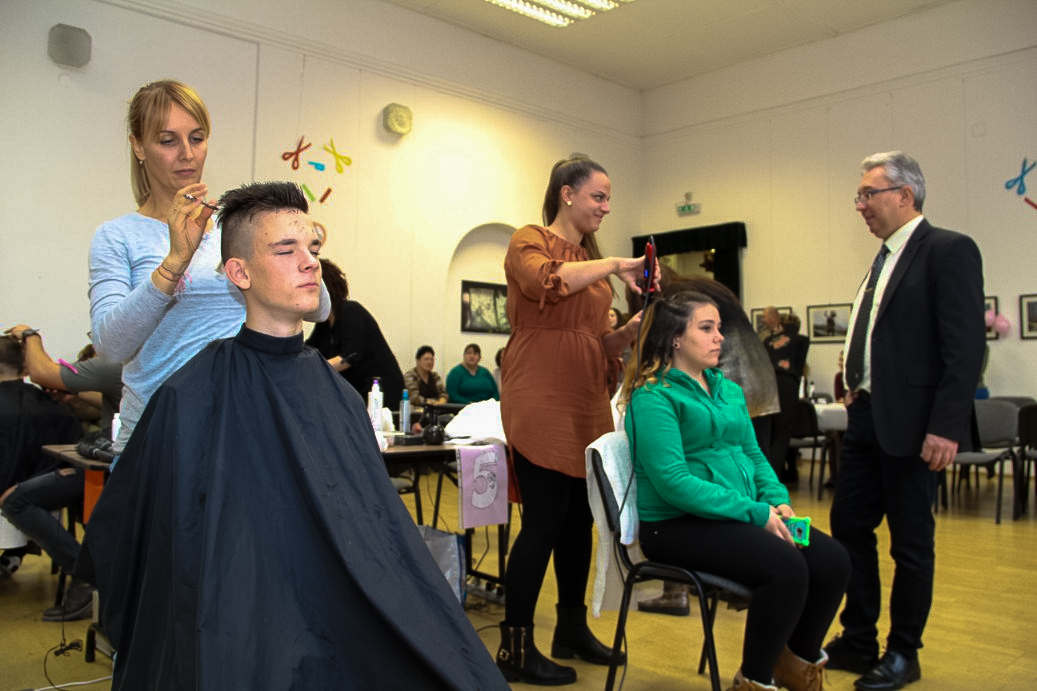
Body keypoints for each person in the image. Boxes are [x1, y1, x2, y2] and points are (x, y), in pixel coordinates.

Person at [76, 181, 508, 690]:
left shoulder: (339, 396)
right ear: (239, 272)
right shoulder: (188, 395)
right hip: (242, 625)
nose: (310, 264)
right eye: (286, 250)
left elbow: (377, 544)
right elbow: (150, 549)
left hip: (333, 616)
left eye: (313, 249)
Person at [621, 291, 850, 691]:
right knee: (786, 566)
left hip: (736, 515)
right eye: (706, 328)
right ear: (676, 338)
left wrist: (777, 501)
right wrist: (756, 513)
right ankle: (754, 680)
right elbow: (674, 483)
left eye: (719, 328)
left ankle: (795, 664)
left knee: (832, 560)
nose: (720, 337)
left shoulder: (727, 390)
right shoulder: (653, 397)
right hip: (675, 526)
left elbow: (753, 455)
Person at [88, 79, 331, 453]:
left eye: (197, 138)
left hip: (244, 432)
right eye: (168, 141)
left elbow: (319, 308)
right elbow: (110, 346)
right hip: (158, 440)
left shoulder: (238, 228)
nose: (187, 154)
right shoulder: (118, 236)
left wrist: (297, 248)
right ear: (138, 146)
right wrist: (175, 262)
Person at [824, 151, 985, 691]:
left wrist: (946, 425)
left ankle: (903, 652)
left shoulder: (948, 250)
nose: (860, 205)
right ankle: (859, 639)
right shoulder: (883, 258)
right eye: (859, 196)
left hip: (916, 426)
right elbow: (884, 335)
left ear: (904, 195)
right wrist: (854, 376)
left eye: (868, 194)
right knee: (849, 526)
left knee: (910, 543)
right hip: (867, 417)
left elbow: (964, 348)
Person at [496, 154, 654, 685]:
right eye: (598, 197)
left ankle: (570, 629)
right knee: (543, 520)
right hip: (541, 391)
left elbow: (594, 339)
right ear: (567, 193)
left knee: (578, 522)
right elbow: (549, 282)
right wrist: (614, 265)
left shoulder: (591, 260)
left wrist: (626, 334)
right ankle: (515, 646)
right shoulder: (529, 240)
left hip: (585, 395)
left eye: (609, 199)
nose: (606, 207)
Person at [0, 326, 122, 620]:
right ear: (23, 367)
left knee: (16, 500)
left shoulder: (114, 365)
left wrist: (30, 335)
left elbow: (44, 373)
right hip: (79, 469)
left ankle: (86, 575)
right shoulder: (51, 405)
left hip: (100, 471)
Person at [0, 335, 83, 580]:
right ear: (26, 368)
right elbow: (73, 453)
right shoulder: (54, 406)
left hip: (15, 500)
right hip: (45, 494)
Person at [305, 257, 405, 410]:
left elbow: (349, 358)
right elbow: (308, 350)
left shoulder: (350, 311)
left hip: (382, 391)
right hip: (358, 391)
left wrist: (312, 369)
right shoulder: (324, 324)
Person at [764, 312, 810, 480]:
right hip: (786, 385)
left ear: (781, 325)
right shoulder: (802, 340)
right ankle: (773, 480)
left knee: (766, 436)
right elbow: (799, 367)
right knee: (781, 436)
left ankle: (762, 479)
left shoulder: (768, 341)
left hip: (766, 385)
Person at [403, 345, 449, 411]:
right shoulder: (410, 376)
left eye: (432, 359)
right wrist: (428, 402)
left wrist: (441, 401)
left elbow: (443, 393)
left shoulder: (435, 376)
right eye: (426, 359)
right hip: (417, 410)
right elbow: (413, 397)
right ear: (418, 361)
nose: (430, 362)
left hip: (436, 409)